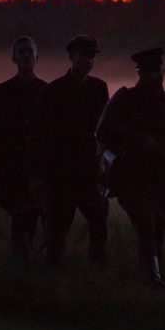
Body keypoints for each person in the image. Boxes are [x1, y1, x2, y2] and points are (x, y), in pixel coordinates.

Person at [95, 47, 165, 287]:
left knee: (160, 226)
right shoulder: (124, 99)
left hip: (161, 177)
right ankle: (153, 278)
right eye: (145, 71)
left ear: (163, 70)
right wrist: (137, 140)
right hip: (131, 175)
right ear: (139, 72)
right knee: (145, 224)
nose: (151, 76)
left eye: (155, 70)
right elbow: (103, 131)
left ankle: (149, 270)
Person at [30, 35, 110, 267]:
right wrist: (38, 176)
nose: (89, 61)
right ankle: (55, 277)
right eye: (85, 56)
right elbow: (39, 136)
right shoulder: (52, 91)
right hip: (60, 175)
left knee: (98, 224)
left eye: (92, 56)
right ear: (72, 57)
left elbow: (105, 129)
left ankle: (97, 273)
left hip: (90, 173)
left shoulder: (99, 88)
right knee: (56, 230)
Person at [0, 36, 47, 260]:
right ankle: (20, 261)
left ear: (37, 57)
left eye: (29, 52)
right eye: (21, 52)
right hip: (9, 168)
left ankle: (23, 261)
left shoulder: (48, 93)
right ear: (13, 57)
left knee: (32, 216)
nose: (25, 56)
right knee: (20, 216)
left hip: (38, 168)